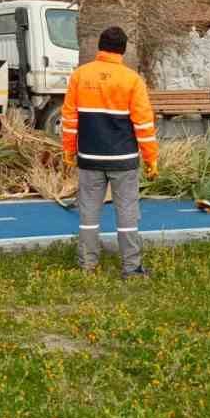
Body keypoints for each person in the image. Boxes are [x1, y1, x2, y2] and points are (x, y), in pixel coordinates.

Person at [61, 26, 158, 279]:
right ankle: (131, 267)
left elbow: (69, 119)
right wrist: (151, 159)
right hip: (123, 160)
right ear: (123, 50)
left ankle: (87, 263)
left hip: (89, 156)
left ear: (99, 47)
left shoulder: (80, 76)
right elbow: (144, 124)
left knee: (88, 213)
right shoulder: (132, 80)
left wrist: (69, 150)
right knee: (126, 213)